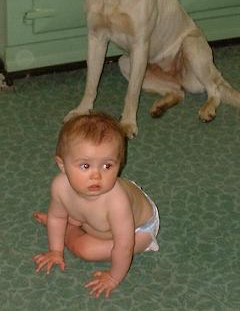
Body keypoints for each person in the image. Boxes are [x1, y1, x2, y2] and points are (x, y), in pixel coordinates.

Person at [33, 112, 159, 298]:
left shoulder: (116, 202)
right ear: (62, 165)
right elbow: (57, 216)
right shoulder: (60, 186)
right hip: (97, 216)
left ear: (119, 164)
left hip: (138, 231)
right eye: (85, 166)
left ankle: (69, 229)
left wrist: (113, 278)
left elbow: (124, 247)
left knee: (84, 249)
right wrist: (55, 251)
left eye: (107, 166)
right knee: (62, 218)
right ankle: (72, 222)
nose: (96, 176)